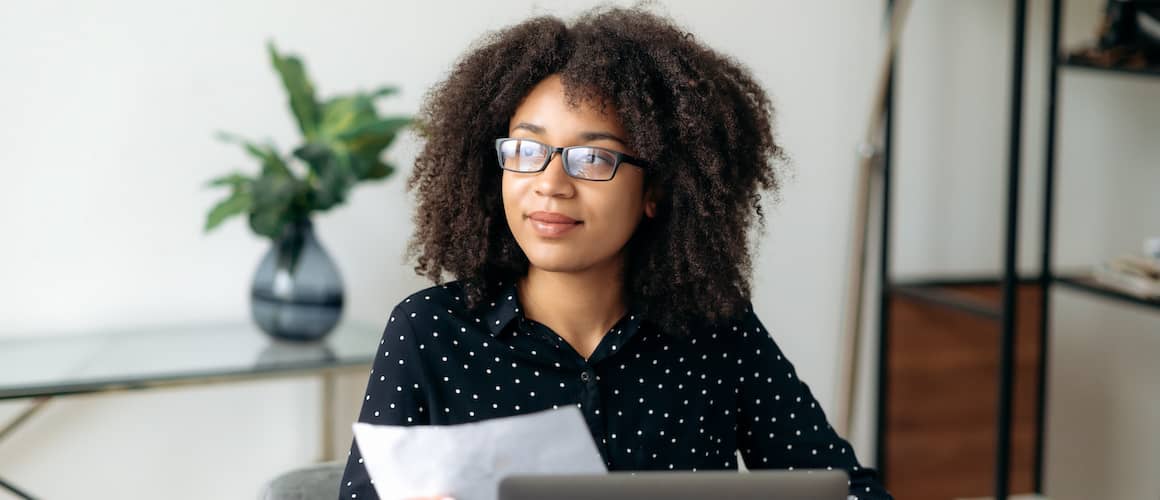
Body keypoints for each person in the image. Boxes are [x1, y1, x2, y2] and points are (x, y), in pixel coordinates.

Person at [339, 6, 892, 500]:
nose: (550, 183)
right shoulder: (429, 329)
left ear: (655, 189)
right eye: (527, 150)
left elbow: (847, 488)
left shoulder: (719, 330)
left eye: (592, 159)